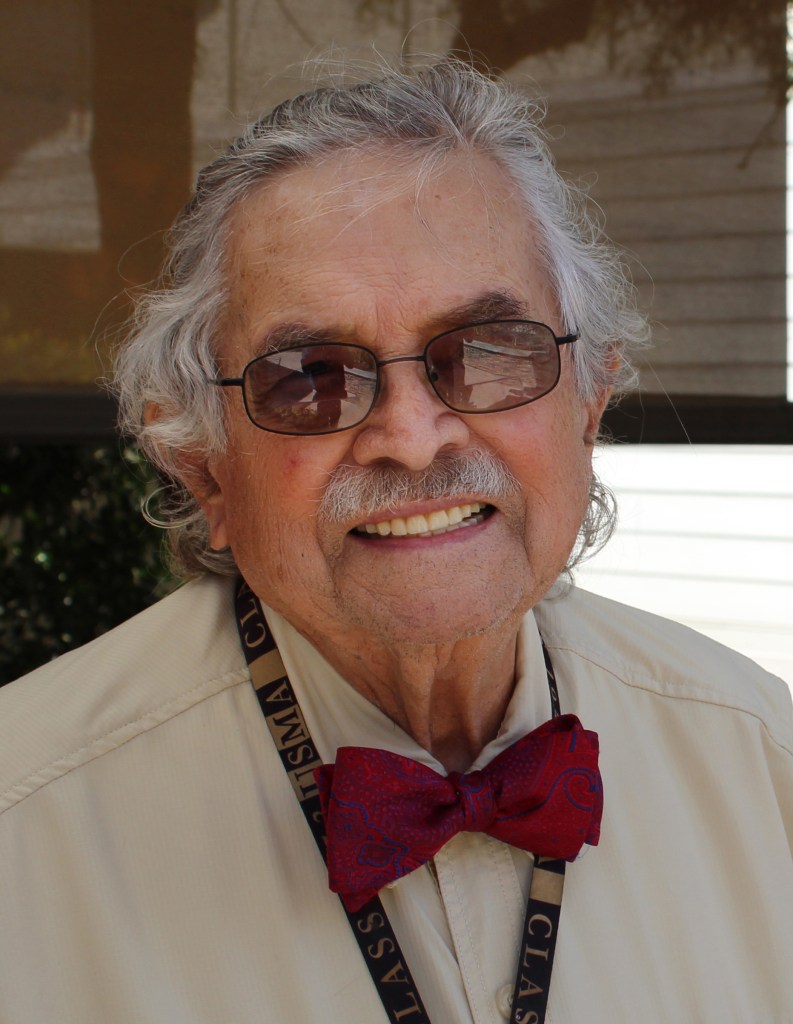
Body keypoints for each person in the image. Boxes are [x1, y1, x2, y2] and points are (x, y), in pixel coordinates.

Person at [1, 60, 791, 1024]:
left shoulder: (762, 760)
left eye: (490, 351)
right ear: (202, 465)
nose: (415, 439)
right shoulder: (23, 825)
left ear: (589, 405)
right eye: (310, 376)